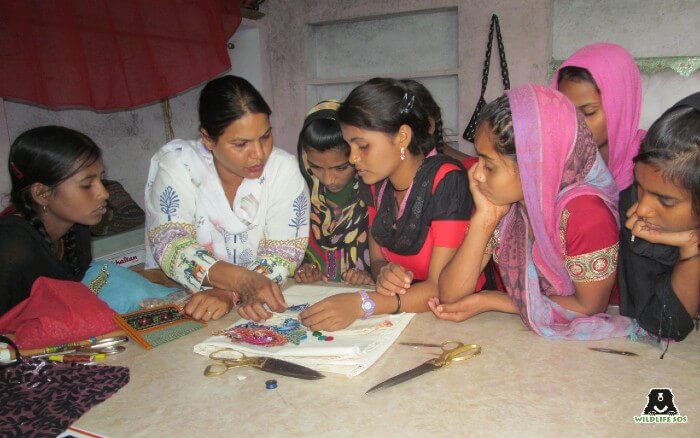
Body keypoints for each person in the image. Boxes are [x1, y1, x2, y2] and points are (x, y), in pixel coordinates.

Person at [433, 84, 632, 339]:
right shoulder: (509, 206)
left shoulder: (585, 215)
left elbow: (589, 307)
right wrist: (485, 219)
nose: (477, 174)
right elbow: (450, 295)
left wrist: (492, 301)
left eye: (489, 165)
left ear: (533, 165)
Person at [299, 77, 473, 331]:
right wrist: (384, 272)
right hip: (404, 318)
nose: (354, 158)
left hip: (454, 322)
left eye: (363, 146)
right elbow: (378, 258)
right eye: (349, 147)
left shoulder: (446, 181)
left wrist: (362, 304)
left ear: (402, 136)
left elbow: (440, 288)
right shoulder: (377, 184)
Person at [145, 75, 309, 322]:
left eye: (265, 137)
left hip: (252, 302)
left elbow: (283, 253)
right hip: (183, 297)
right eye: (241, 144)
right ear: (208, 139)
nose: (259, 153)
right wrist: (243, 281)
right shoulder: (180, 166)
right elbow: (171, 243)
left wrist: (227, 291)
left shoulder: (282, 169)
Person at [0, 126, 108, 315]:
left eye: (101, 178)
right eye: (86, 185)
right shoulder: (11, 247)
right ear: (42, 193)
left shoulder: (77, 228)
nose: (104, 193)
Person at [619, 92, 699, 341]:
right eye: (640, 185)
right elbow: (662, 324)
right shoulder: (634, 205)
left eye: (665, 201)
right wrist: (692, 251)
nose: (642, 209)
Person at [294, 100, 373, 285]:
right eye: (316, 167)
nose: (328, 179)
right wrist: (304, 269)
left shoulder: (374, 194)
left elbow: (388, 260)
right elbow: (289, 252)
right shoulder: (299, 195)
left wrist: (369, 276)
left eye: (341, 168)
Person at [553, 43, 645, 192]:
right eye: (567, 112)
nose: (576, 124)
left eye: (589, 112)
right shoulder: (561, 166)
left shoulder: (655, 168)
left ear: (621, 107)